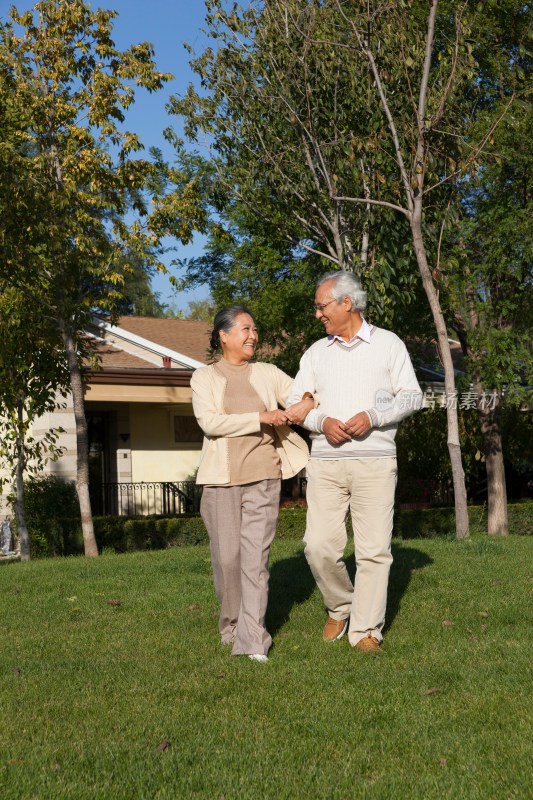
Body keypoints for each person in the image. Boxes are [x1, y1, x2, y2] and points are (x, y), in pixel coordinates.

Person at [287, 271, 423, 651]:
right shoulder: (315, 353)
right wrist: (322, 421)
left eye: (321, 306)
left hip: (376, 461)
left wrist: (373, 416)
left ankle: (365, 631)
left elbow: (411, 397)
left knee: (374, 550)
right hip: (326, 463)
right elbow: (294, 404)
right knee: (318, 546)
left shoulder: (389, 345)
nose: (317, 315)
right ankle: (340, 605)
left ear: (347, 303)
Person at [191, 306, 313, 663]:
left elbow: (301, 393)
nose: (253, 336)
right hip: (221, 482)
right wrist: (261, 416)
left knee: (255, 561)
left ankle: (253, 639)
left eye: (255, 329)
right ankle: (230, 625)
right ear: (223, 335)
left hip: (264, 476)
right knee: (227, 560)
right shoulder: (204, 377)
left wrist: (306, 402)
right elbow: (211, 423)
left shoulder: (267, 372)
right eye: (245, 329)